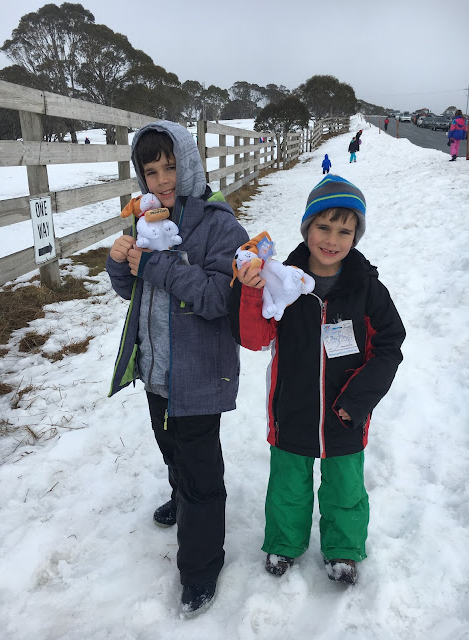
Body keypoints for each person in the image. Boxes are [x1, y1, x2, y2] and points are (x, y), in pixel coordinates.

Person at [229, 174, 405, 585]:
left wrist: (356, 401)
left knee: (345, 486)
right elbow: (255, 339)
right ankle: (284, 542)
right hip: (292, 407)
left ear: (356, 236)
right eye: (323, 227)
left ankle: (343, 548)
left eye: (345, 231)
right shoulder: (283, 282)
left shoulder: (366, 288)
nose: (332, 240)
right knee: (288, 484)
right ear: (307, 228)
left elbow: (389, 346)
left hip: (346, 413)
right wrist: (251, 292)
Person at [106, 121, 248, 616]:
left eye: (170, 166)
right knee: (171, 448)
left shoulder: (220, 225)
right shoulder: (146, 218)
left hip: (200, 376)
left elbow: (219, 297)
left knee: (200, 471)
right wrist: (120, 263)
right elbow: (132, 290)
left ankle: (202, 566)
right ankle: (181, 496)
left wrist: (157, 265)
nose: (163, 179)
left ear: (188, 163)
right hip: (157, 372)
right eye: (151, 171)